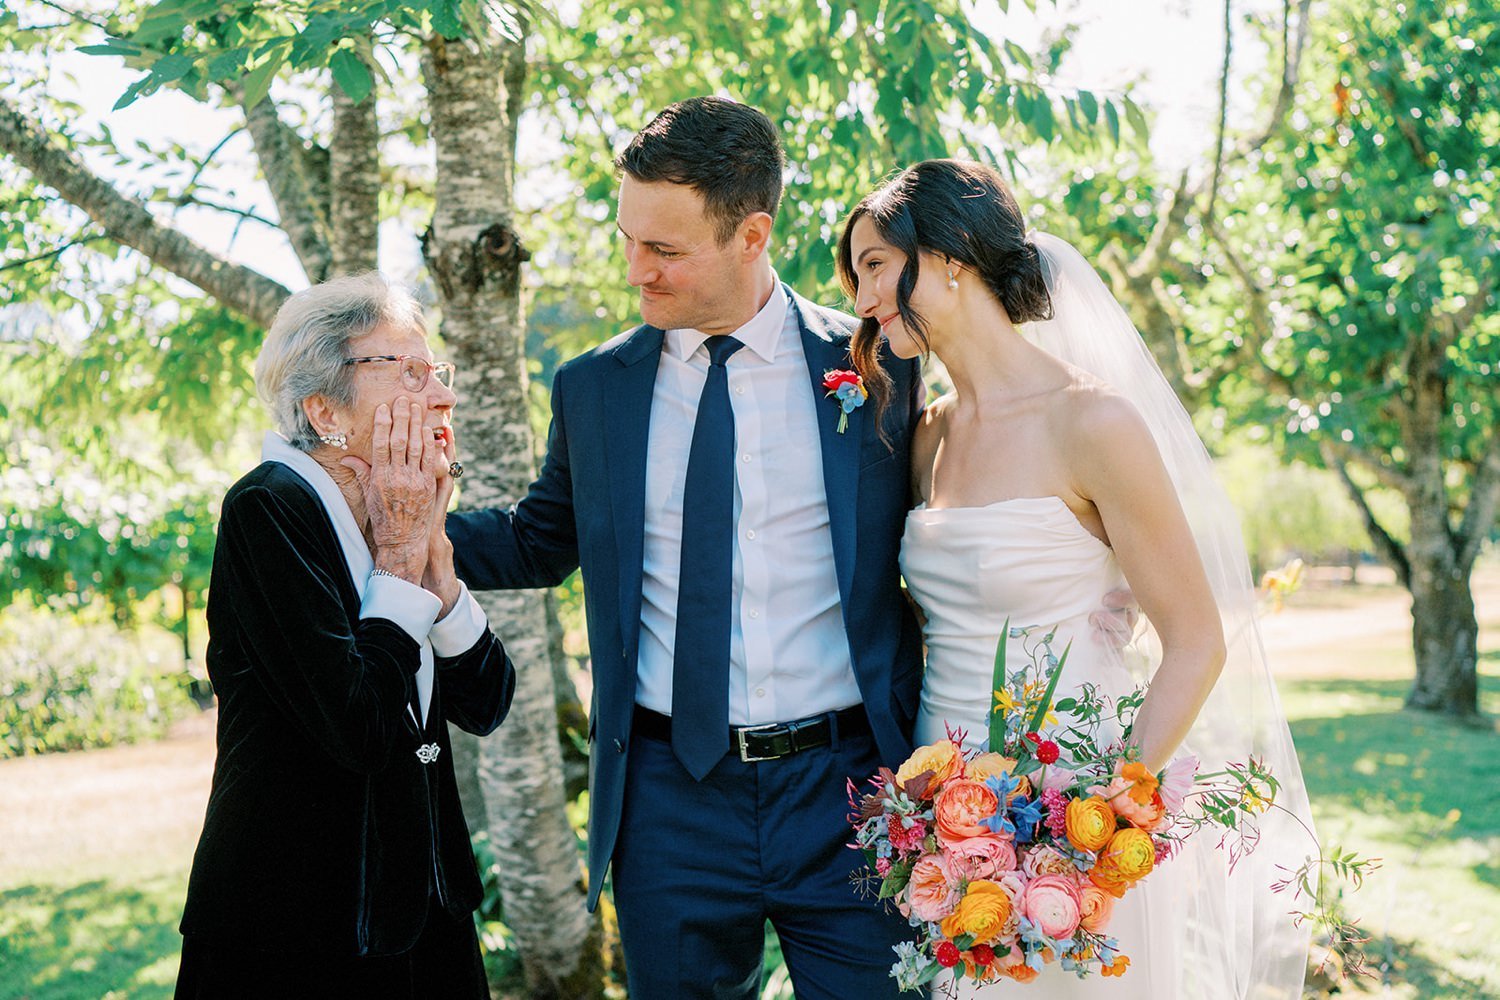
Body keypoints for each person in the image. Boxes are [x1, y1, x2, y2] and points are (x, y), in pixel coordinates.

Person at [445, 96, 924, 998]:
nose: (637, 271)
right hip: (668, 800)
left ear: (752, 234)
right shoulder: (595, 389)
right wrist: (387, 528)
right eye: (628, 238)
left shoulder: (875, 363)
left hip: (854, 792)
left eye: (664, 250)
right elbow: (537, 543)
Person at [837, 159, 1313, 997]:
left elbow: (1197, 642)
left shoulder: (1092, 421)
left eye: (874, 264)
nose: (862, 297)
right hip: (941, 823)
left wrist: (1086, 828)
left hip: (1067, 811)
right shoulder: (929, 436)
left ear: (949, 255)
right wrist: (944, 825)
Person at [174, 273, 516, 1000]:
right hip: (301, 929)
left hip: (426, 914)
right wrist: (398, 555)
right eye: (412, 374)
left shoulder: (400, 513)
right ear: (325, 407)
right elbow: (359, 726)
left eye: (439, 373)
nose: (444, 398)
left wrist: (437, 565)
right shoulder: (269, 508)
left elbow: (487, 703)